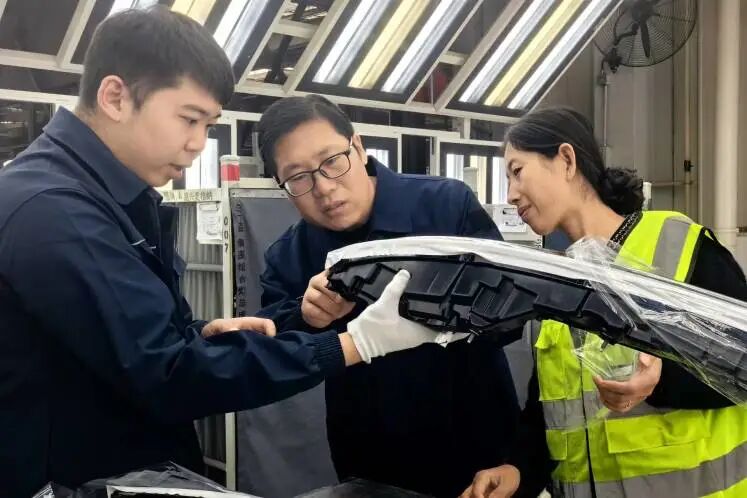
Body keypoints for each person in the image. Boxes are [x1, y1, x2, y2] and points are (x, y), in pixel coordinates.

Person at [0, 8, 448, 497]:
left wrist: (196, 334)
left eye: (208, 124)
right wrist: (355, 342)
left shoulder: (104, 198)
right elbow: (167, 375)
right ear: (115, 97)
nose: (198, 144)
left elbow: (111, 345)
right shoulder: (56, 212)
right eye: (189, 119)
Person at [461, 106, 747, 498]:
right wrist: (518, 470)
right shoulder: (556, 281)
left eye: (517, 171)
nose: (510, 194)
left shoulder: (678, 247)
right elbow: (551, 415)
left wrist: (662, 380)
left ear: (566, 160)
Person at [256, 95, 522, 498]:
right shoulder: (289, 255)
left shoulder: (446, 206)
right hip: (369, 463)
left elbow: (512, 312)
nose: (324, 188)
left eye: (332, 161)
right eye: (298, 178)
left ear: (359, 148)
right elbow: (271, 355)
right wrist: (304, 316)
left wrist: (445, 306)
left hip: (479, 450)